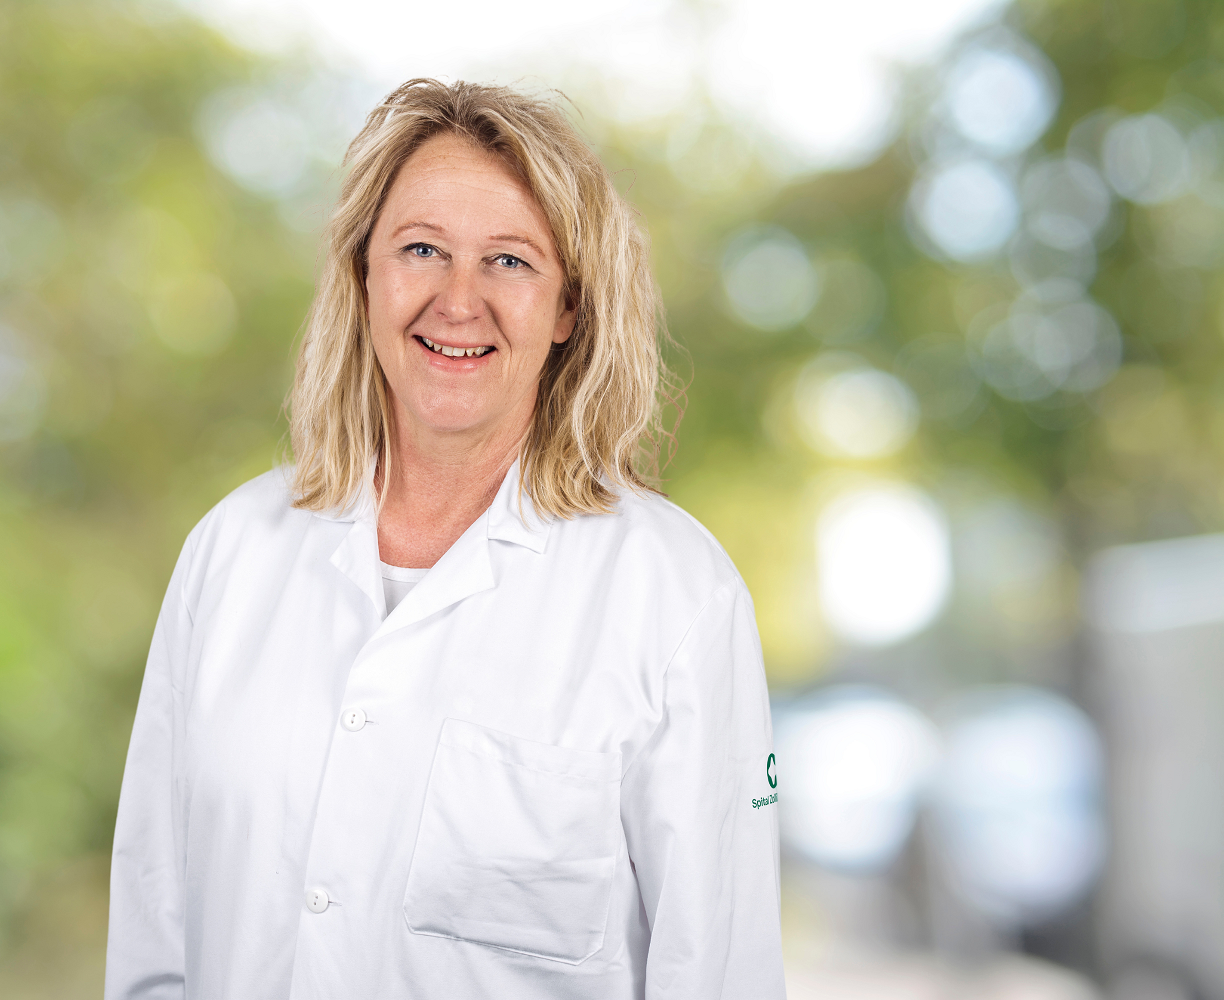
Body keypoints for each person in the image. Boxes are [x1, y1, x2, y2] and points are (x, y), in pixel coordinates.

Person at [105, 78, 785, 1000]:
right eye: (421, 249)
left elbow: (721, 972)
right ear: (365, 278)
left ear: (569, 310)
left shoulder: (673, 593)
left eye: (509, 261)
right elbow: (153, 943)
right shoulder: (231, 554)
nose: (457, 302)